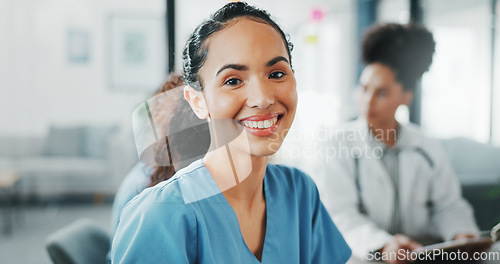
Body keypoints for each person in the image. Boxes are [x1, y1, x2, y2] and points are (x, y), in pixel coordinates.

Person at [111, 2, 351, 263]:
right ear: (198, 101)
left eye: (277, 73)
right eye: (233, 81)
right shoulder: (162, 214)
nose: (262, 98)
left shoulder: (298, 193)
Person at [320, 23, 480, 263]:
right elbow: (339, 215)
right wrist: (383, 245)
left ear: (406, 96)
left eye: (381, 93)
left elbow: (448, 206)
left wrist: (461, 233)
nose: (367, 101)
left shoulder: (427, 148)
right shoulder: (336, 144)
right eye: (363, 89)